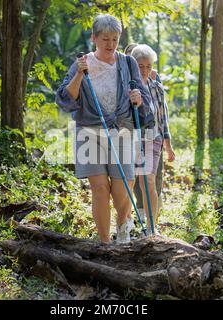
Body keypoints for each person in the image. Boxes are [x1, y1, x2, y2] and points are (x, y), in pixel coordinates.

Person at [56, 14, 151, 244]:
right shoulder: (83, 63)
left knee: (122, 188)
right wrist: (79, 73)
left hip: (122, 131)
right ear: (94, 38)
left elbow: (144, 100)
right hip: (89, 131)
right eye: (105, 39)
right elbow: (66, 100)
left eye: (115, 39)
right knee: (99, 189)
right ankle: (104, 243)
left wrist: (138, 98)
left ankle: (123, 227)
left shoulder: (127, 63)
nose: (110, 45)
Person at [130, 44, 175, 235]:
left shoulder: (156, 86)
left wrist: (169, 145)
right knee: (130, 181)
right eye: (140, 66)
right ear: (133, 65)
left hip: (152, 137)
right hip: (130, 138)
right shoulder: (127, 86)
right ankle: (125, 223)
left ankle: (151, 228)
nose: (145, 70)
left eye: (148, 66)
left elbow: (162, 118)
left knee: (148, 180)